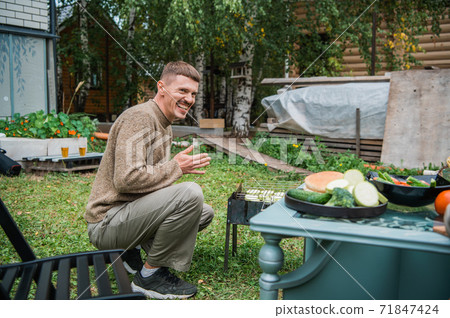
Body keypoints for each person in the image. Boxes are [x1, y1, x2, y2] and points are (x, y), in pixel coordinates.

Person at [84, 61, 214, 299]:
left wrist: (172, 169)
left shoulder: (165, 124)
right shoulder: (140, 118)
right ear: (161, 87)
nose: (189, 99)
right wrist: (176, 167)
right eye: (182, 91)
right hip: (107, 222)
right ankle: (149, 277)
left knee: (203, 212)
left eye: (193, 94)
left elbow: (150, 181)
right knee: (190, 194)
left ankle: (128, 252)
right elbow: (126, 179)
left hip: (128, 215)